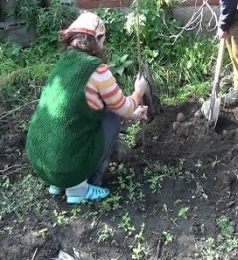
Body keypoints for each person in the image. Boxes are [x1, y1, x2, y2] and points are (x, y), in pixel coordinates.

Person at [25, 12, 148, 204]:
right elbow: (122, 109)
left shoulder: (65, 61)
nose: (104, 44)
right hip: (64, 166)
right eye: (103, 39)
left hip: (40, 161)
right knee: (112, 121)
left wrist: (131, 115)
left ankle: (57, 184)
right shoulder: (97, 71)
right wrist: (138, 92)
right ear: (96, 39)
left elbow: (84, 106)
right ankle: (78, 188)